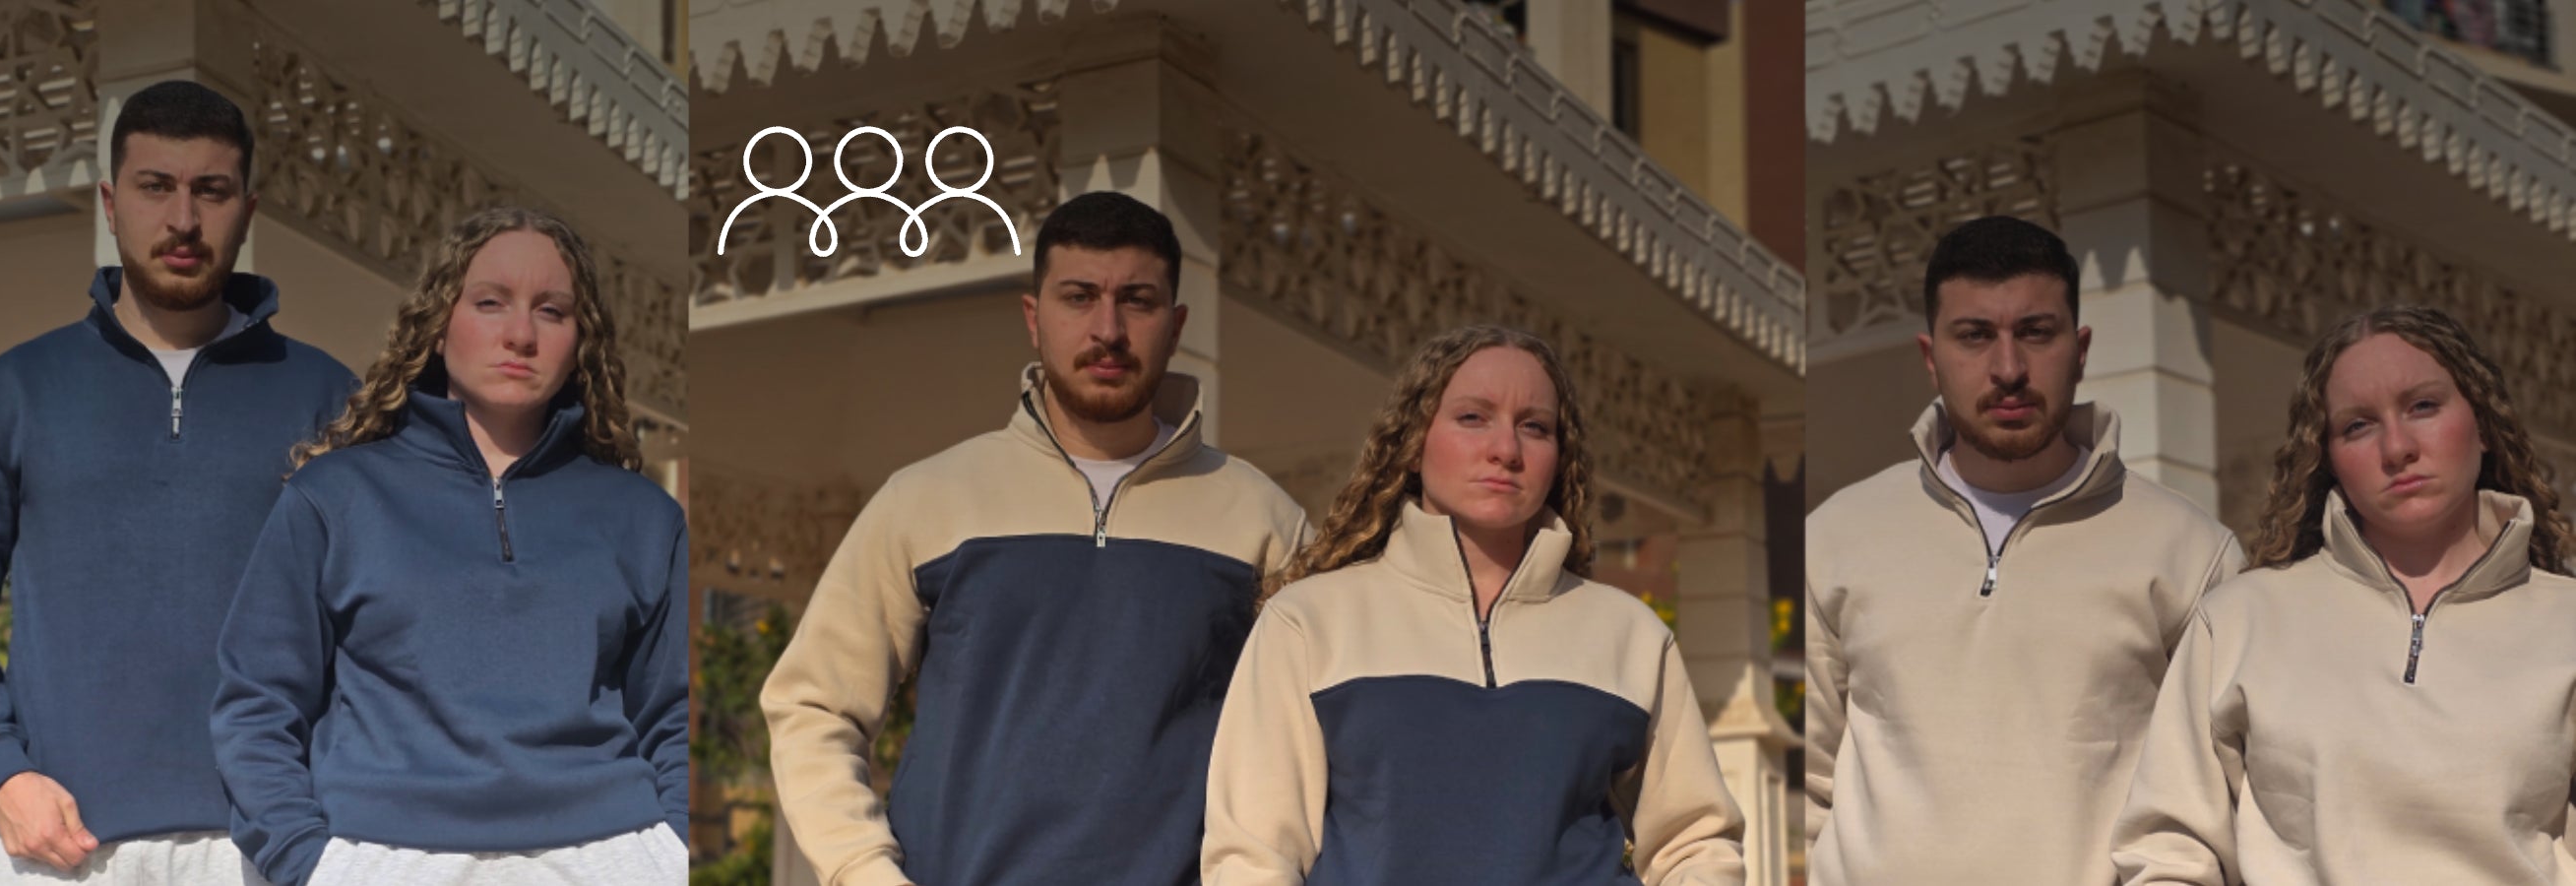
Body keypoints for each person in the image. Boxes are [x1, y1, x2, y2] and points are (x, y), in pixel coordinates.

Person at [759, 191, 1306, 886]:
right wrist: (864, 872)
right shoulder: (927, 501)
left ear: (1175, 326)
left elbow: (1322, 734)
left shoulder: (1261, 519)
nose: (1107, 329)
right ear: (1033, 318)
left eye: (1136, 301)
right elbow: (813, 704)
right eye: (1079, 297)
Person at [0, 79, 354, 885]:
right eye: (157, 188)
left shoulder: (329, 400)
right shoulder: (14, 393)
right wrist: (0, 772)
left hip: (268, 847)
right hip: (59, 845)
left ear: (248, 211)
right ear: (111, 206)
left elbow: (378, 623)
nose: (183, 220)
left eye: (210, 191)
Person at [209, 206, 688, 886]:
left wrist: (673, 854)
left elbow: (675, 713)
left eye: (552, 311)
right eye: (490, 303)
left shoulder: (645, 518)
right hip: (383, 854)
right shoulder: (335, 496)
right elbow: (257, 703)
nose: (520, 334)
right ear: (438, 327)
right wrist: (307, 863)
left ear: (581, 339)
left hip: (609, 852)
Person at [1200, 324, 1745, 886]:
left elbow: (1694, 843)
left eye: (1534, 427)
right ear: (1413, 443)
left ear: (1559, 456)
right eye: (1473, 418)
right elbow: (1252, 858)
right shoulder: (1309, 622)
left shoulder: (1630, 634)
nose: (1505, 450)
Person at [1803, 215, 2242, 885]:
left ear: (2081, 346)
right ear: (1930, 357)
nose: (2008, 369)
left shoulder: (2192, 555)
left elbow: (2211, 800)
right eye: (1975, 336)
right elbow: (1804, 784)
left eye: (2035, 333)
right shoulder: (1837, 537)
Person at [2112, 304, 2576, 883]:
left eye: (2423, 406)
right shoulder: (2241, 621)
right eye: (2358, 425)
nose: (2397, 447)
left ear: (2482, 424)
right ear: (2327, 457)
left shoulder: (2566, 624)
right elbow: (2169, 850)